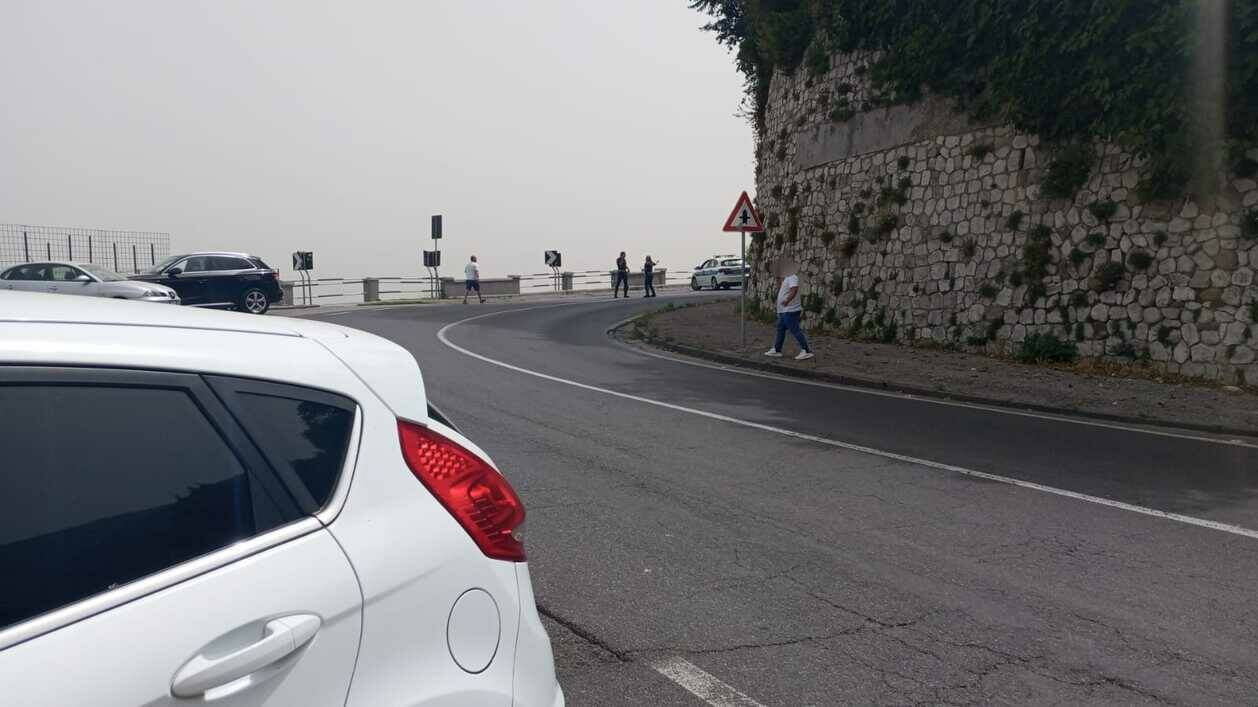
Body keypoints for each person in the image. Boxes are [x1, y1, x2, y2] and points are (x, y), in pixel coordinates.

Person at [765, 256, 814, 360]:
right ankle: (777, 350)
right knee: (780, 329)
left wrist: (787, 301)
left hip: (790, 310)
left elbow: (794, 290)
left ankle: (806, 350)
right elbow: (783, 290)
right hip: (784, 310)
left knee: (795, 330)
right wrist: (778, 280)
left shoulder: (792, 277)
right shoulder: (787, 278)